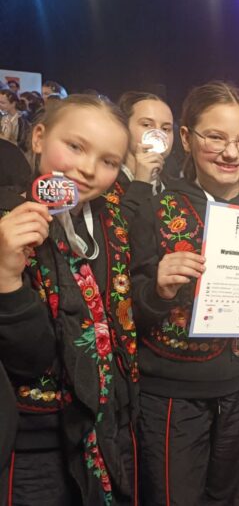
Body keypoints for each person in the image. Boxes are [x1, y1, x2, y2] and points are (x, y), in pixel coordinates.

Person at [130, 81, 239, 505]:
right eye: (216, 137)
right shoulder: (157, 207)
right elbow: (124, 313)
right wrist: (158, 289)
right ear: (186, 138)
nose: (231, 153)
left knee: (230, 497)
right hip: (172, 394)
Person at [0, 94, 138, 505]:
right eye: (75, 146)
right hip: (31, 441)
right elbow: (28, 358)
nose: (88, 169)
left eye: (109, 161)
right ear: (39, 137)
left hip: (106, 428)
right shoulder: (8, 224)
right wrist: (6, 276)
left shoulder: (112, 224)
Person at [111, 91, 176, 221]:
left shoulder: (175, 189)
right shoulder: (105, 184)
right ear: (124, 128)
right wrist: (141, 183)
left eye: (165, 129)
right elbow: (118, 230)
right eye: (146, 125)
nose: (157, 134)